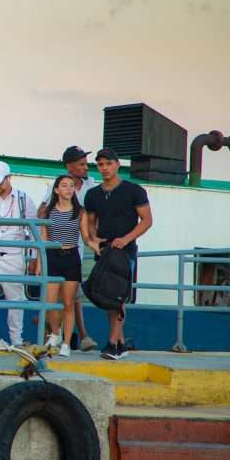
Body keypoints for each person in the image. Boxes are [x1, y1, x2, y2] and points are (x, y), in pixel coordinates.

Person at [84, 148, 153, 360]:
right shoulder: (93, 194)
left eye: (108, 164)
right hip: (104, 251)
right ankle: (120, 343)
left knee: (118, 296)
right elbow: (90, 222)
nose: (104, 168)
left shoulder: (134, 190)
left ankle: (113, 343)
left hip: (125, 252)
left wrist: (126, 239)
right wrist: (94, 240)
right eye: (100, 164)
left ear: (117, 165)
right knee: (107, 295)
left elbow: (147, 221)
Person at [39, 146, 100, 352]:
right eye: (81, 164)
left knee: (71, 298)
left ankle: (71, 339)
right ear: (69, 166)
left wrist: (96, 242)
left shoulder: (91, 185)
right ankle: (56, 335)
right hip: (55, 252)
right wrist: (38, 257)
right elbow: (43, 215)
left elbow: (91, 222)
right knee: (53, 300)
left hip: (77, 250)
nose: (85, 167)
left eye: (85, 163)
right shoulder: (55, 191)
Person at [0, 161, 38, 346]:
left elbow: (34, 230)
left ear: (8, 178)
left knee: (16, 302)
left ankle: (16, 341)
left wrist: (33, 258)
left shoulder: (23, 199)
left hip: (14, 256)